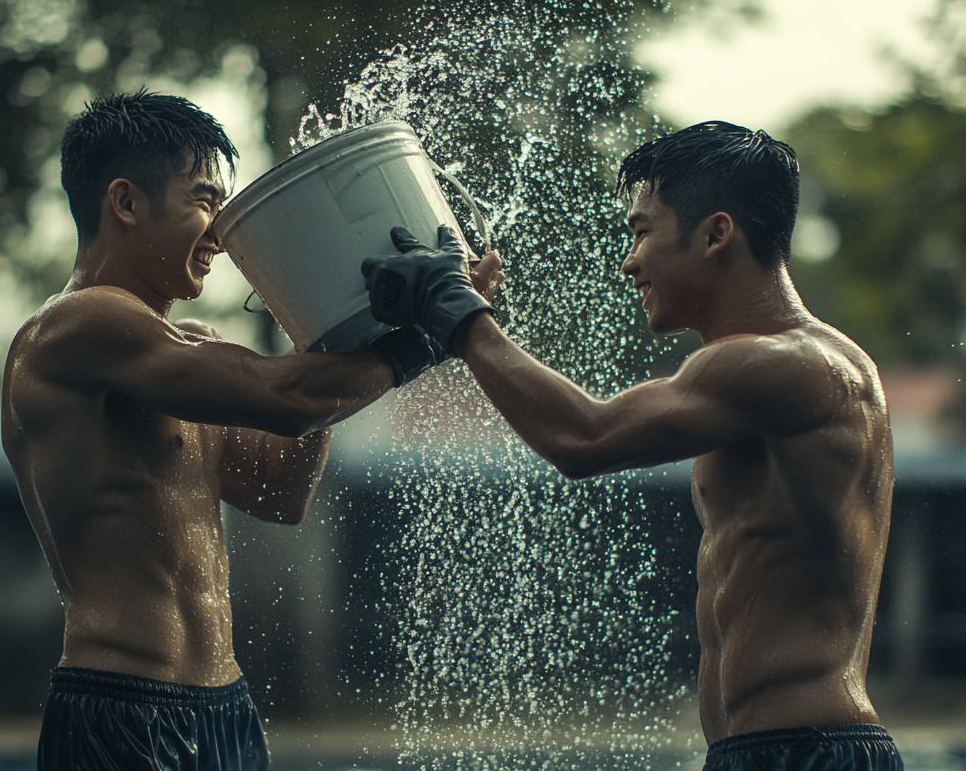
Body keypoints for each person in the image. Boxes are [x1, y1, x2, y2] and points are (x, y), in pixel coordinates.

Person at [362, 121, 903, 770]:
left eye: (642, 231)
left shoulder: (782, 364)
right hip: (776, 749)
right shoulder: (786, 367)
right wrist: (452, 318)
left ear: (715, 234)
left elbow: (584, 438)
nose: (629, 261)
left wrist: (456, 312)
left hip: (801, 752)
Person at [2, 90, 461, 770]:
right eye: (204, 200)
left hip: (223, 706)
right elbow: (290, 400)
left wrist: (342, 337)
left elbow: (280, 494)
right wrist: (433, 335)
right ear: (126, 203)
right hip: (121, 704)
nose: (219, 231)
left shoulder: (187, 347)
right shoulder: (76, 327)